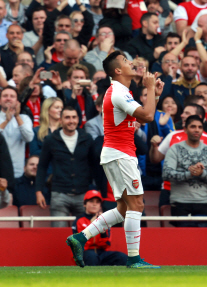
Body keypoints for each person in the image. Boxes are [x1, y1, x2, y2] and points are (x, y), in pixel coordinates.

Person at [66, 51, 164, 269]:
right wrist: (148, 87)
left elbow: (143, 115)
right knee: (136, 205)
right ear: (118, 70)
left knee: (122, 209)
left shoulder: (121, 91)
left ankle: (80, 238)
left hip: (117, 153)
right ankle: (133, 259)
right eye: (127, 61)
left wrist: (154, 96)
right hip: (121, 154)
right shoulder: (119, 92)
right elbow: (147, 117)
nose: (132, 63)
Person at [35, 106, 95, 227]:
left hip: (83, 194)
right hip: (59, 194)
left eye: (74, 117)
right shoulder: (50, 140)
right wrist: (38, 191)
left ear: (78, 119)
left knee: (85, 236)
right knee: (58, 235)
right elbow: (42, 166)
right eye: (67, 117)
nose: (71, 121)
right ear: (60, 120)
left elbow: (94, 166)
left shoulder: (87, 138)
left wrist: (96, 190)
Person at [162, 115, 207, 227]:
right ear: (185, 129)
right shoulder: (175, 148)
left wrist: (201, 173)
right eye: (193, 126)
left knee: (205, 242)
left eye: (199, 127)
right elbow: (166, 174)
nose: (197, 129)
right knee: (184, 242)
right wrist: (190, 174)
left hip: (202, 203)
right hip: (180, 204)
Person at [0, 87, 34, 179]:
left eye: (12, 96)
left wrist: (17, 116)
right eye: (5, 96)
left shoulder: (24, 118)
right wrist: (7, 120)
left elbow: (28, 138)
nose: (8, 98)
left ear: (17, 101)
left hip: (17, 172)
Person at [71, 189, 127, 266]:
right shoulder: (79, 221)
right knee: (92, 257)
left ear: (100, 205)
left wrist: (102, 232)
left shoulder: (104, 220)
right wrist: (93, 227)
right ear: (84, 204)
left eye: (97, 202)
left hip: (101, 253)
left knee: (122, 257)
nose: (94, 204)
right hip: (85, 253)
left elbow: (106, 244)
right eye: (91, 201)